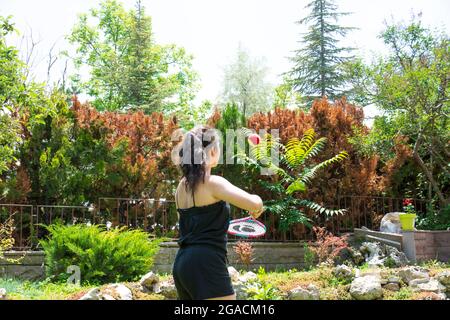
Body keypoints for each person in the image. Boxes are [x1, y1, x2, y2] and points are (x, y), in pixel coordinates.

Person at [172, 126, 264, 300]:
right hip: (206, 262)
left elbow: (192, 225)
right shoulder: (213, 183)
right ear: (213, 150)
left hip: (182, 263)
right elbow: (253, 203)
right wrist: (258, 201)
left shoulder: (180, 187)